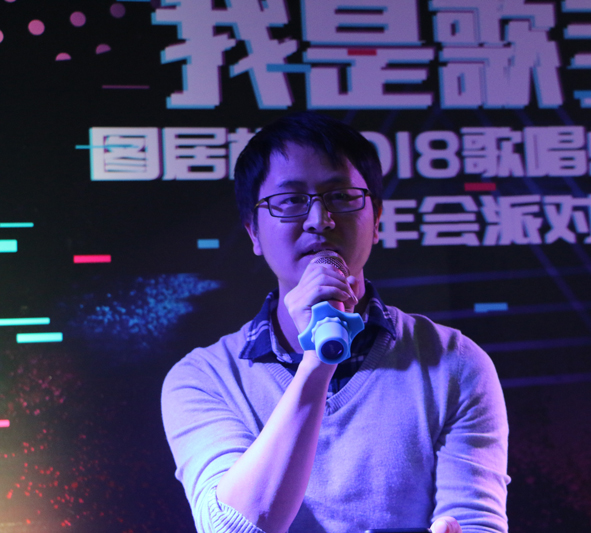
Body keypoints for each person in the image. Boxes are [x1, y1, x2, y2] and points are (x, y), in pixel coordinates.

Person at [161, 112, 510, 533]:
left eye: (341, 196)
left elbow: (475, 521)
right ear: (253, 231)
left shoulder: (454, 362)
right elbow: (230, 528)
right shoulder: (205, 378)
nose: (319, 220)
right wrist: (318, 358)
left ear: (376, 219)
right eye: (290, 201)